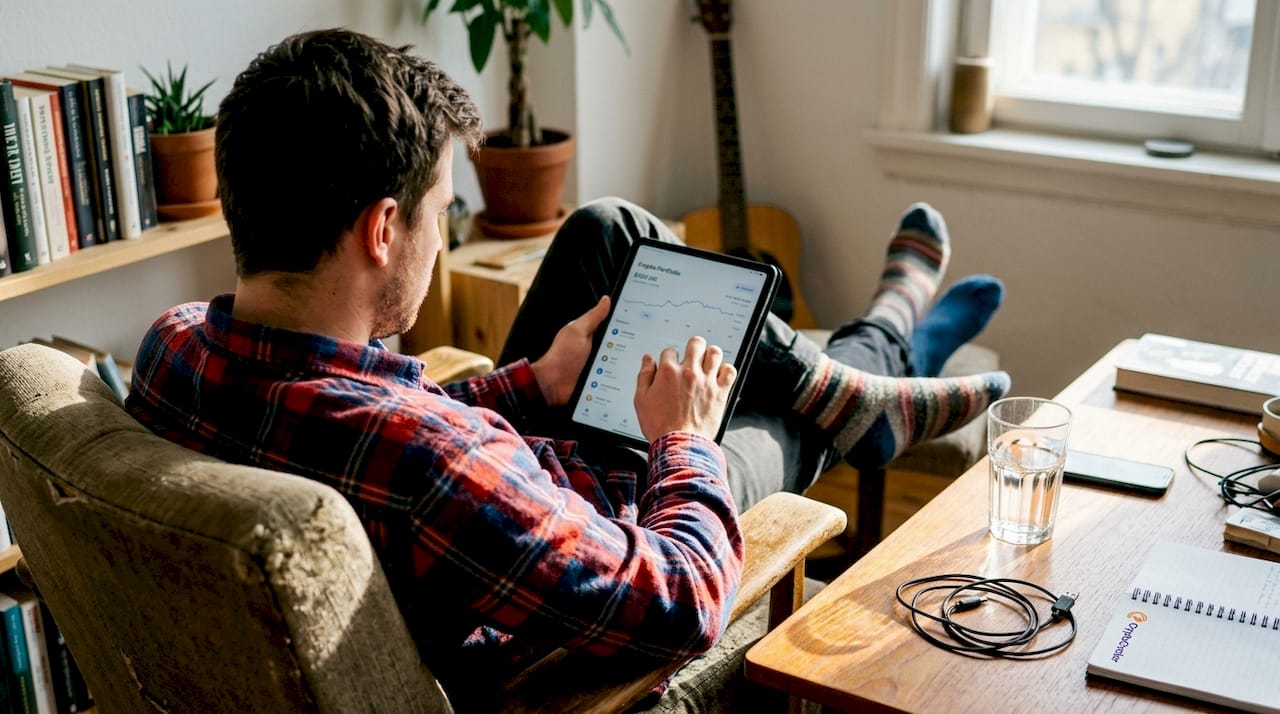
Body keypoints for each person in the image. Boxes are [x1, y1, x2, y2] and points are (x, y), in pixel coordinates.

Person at [125, 28, 1009, 702]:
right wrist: (685, 441)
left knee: (609, 229)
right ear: (383, 229)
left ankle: (879, 354)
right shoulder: (432, 463)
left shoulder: (176, 345)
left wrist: (537, 383)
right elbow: (685, 600)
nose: (443, 239)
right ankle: (883, 345)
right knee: (774, 415)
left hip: (501, 500)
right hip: (621, 527)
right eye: (443, 212)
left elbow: (361, 421)